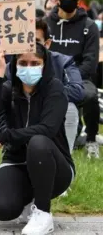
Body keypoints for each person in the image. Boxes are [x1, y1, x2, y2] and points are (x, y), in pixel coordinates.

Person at [0, 45, 75, 235]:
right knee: (2, 208)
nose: (29, 67)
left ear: (45, 64)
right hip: (17, 161)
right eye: (23, 63)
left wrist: (4, 137)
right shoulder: (9, 89)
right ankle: (30, 201)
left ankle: (43, 212)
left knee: (38, 141)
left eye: (35, 63)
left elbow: (47, 129)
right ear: (15, 64)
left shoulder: (55, 89)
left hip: (55, 166)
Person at [5, 18, 84, 153]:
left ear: (47, 44)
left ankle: (65, 152)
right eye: (26, 41)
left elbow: (78, 91)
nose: (30, 47)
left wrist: (43, 94)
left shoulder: (63, 61)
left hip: (53, 115)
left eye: (35, 41)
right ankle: (13, 148)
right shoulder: (12, 65)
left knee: (70, 107)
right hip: (24, 113)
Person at [46, 0, 101, 158]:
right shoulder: (46, 24)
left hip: (79, 79)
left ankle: (92, 140)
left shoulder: (89, 26)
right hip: (48, 78)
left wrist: (70, 79)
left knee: (91, 96)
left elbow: (90, 63)